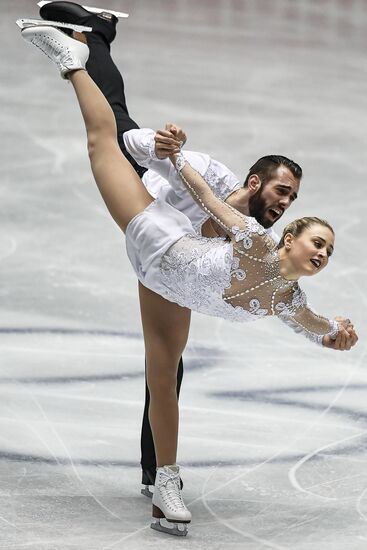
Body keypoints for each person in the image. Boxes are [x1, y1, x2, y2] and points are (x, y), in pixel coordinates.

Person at [19, 24, 357, 536]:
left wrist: (337, 334)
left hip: (170, 287)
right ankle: (71, 60)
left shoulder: (288, 296)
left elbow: (313, 325)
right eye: (317, 241)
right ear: (289, 241)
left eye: (328, 250)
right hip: (159, 240)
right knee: (101, 140)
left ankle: (163, 483)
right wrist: (174, 153)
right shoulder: (256, 240)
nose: (323, 252)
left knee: (164, 376)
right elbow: (206, 199)